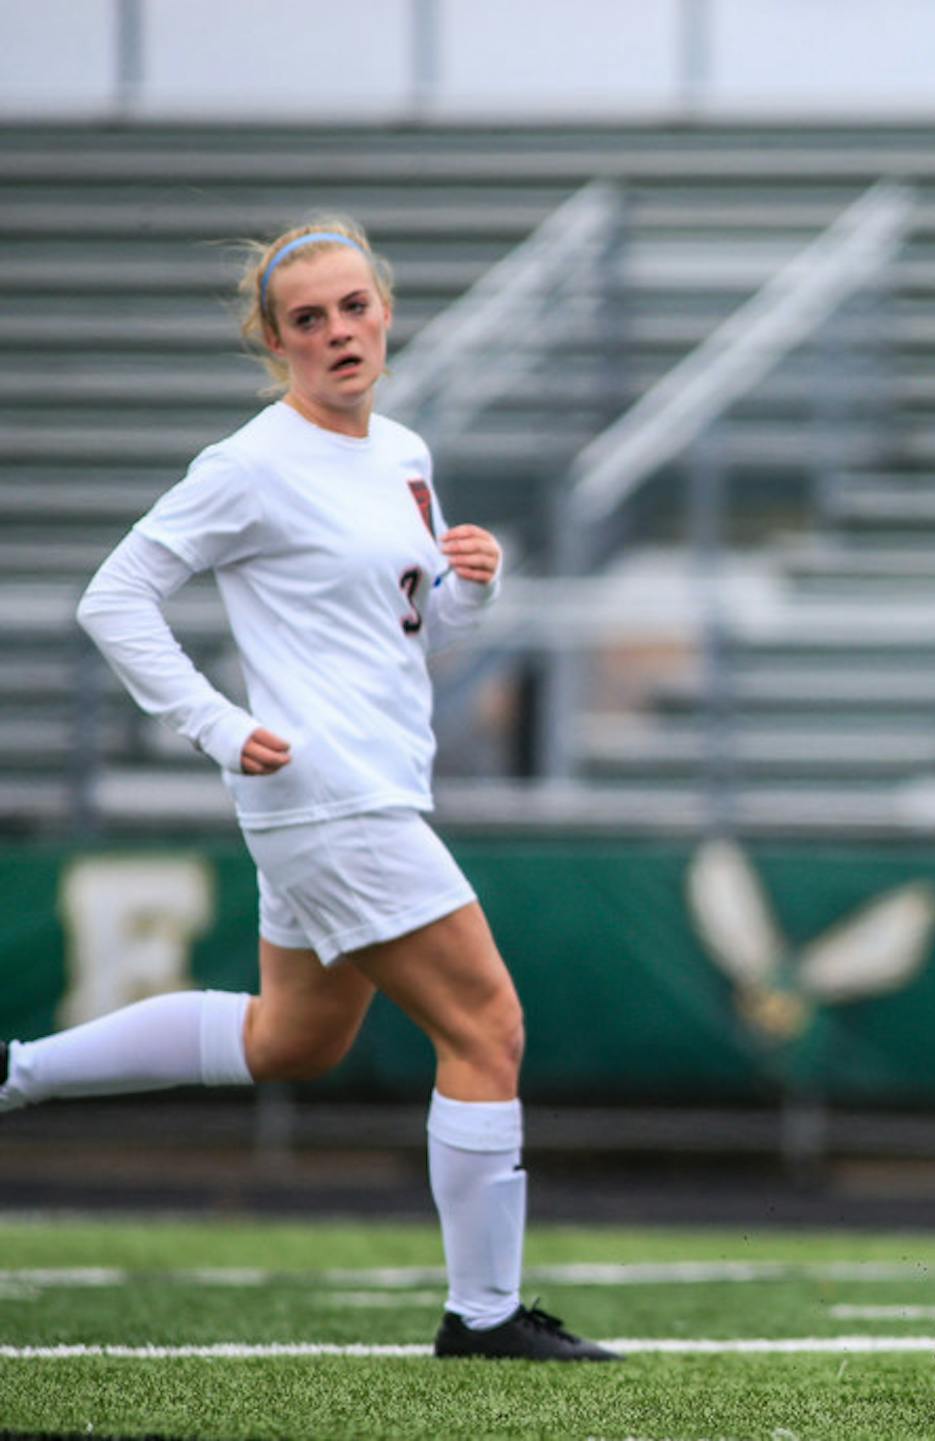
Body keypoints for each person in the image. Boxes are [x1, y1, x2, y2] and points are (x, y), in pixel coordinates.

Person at [0, 218, 614, 1362]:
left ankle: (16, 1073)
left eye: (354, 308)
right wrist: (217, 725)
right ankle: (483, 1316)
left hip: (368, 788)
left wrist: (474, 590)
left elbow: (415, 635)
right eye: (308, 319)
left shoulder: (406, 453)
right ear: (274, 341)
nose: (338, 332)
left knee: (292, 1041)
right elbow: (113, 597)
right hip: (333, 796)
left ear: (385, 310)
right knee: (489, 1025)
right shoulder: (251, 462)